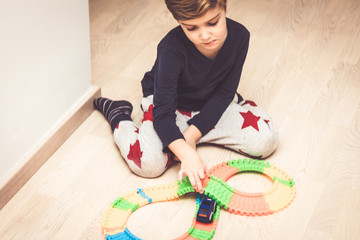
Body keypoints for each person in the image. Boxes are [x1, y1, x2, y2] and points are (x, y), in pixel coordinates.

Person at [93, 0, 278, 193]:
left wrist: (189, 138)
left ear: (225, 7)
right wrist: (186, 153)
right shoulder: (170, 49)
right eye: (191, 28)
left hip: (214, 101)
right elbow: (163, 114)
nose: (205, 35)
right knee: (148, 164)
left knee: (266, 140)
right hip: (169, 108)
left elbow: (224, 93)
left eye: (213, 23)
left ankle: (235, 107)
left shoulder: (240, 36)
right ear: (179, 21)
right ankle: (119, 115)